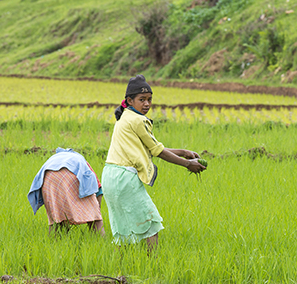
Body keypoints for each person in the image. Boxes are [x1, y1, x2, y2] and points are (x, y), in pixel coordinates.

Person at [102, 75, 206, 251]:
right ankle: (154, 265)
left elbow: (150, 148)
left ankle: (122, 268)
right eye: (142, 100)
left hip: (110, 176)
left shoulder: (124, 118)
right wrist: (188, 164)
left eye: (149, 99)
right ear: (130, 100)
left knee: (123, 229)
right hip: (125, 179)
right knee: (151, 224)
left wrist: (183, 152)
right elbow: (157, 151)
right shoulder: (139, 120)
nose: (147, 104)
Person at [28, 148, 104, 235]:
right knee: (95, 221)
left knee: (57, 219)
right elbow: (98, 188)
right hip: (70, 175)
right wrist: (95, 214)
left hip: (48, 178)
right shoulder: (82, 160)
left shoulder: (56, 158)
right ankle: (100, 238)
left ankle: (54, 244)